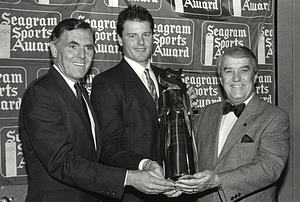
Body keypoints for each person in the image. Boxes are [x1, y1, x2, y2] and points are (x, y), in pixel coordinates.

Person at [19, 18, 176, 202]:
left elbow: (95, 153)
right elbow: (62, 162)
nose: (82, 55)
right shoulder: (42, 92)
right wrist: (129, 178)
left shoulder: (80, 91)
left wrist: (144, 165)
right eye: (73, 46)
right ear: (54, 49)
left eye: (88, 47)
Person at [90, 4, 193, 202]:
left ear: (153, 37)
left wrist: (187, 110)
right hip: (135, 194)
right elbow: (108, 146)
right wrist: (144, 165)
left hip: (175, 190)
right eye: (132, 36)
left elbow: (180, 138)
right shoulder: (107, 82)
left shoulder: (169, 79)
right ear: (119, 39)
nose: (141, 42)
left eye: (146, 35)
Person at [174, 46, 290, 202]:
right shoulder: (204, 114)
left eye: (243, 71)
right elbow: (189, 159)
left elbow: (269, 167)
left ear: (255, 77)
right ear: (221, 79)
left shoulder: (274, 117)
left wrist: (218, 180)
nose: (236, 78)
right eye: (229, 71)